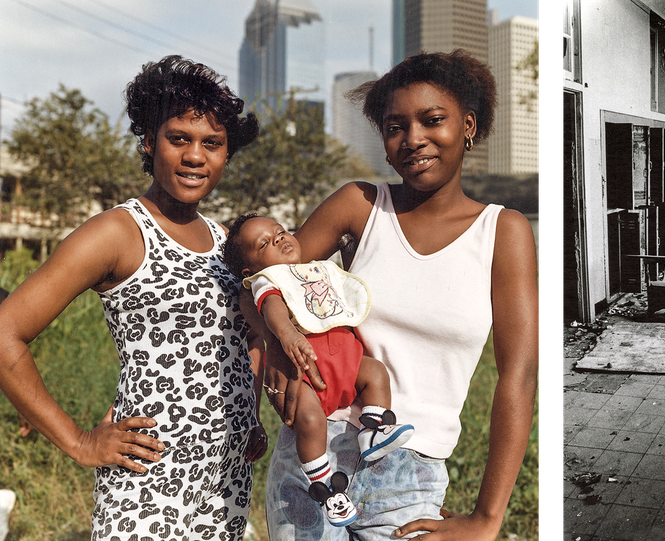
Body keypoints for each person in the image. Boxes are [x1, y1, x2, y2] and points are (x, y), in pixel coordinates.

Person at [258, 49, 538, 540]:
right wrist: (272, 344)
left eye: (433, 120)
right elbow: (262, 280)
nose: (414, 140)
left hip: (412, 475)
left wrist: (488, 518)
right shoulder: (360, 206)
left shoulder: (503, 231)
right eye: (395, 127)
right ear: (384, 144)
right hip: (313, 452)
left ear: (468, 126)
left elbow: (519, 375)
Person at [0, 55, 266, 540]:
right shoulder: (118, 232)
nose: (195, 156)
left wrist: (251, 413)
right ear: (148, 141)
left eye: (212, 144)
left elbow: (247, 337)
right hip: (148, 482)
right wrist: (80, 442)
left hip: (224, 484)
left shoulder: (225, 240)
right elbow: (5, 332)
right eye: (179, 138)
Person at [221, 213, 415, 526]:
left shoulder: (316, 271)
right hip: (310, 375)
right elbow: (273, 311)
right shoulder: (268, 282)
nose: (279, 239)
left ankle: (375, 430)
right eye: (265, 243)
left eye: (280, 231)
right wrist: (287, 334)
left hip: (349, 364)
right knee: (309, 419)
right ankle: (324, 486)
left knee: (376, 373)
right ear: (251, 269)